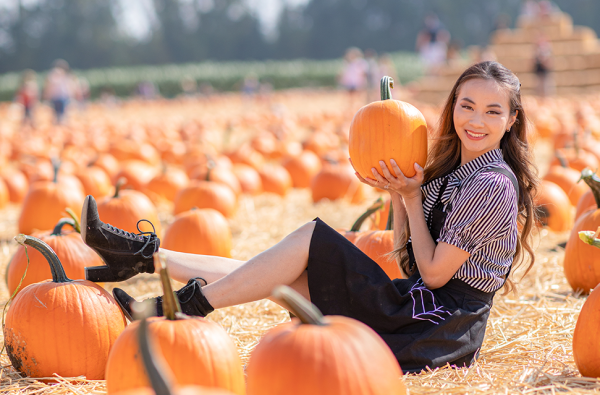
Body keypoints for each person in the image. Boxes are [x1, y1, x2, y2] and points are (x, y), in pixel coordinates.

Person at [79, 61, 537, 373]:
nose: (476, 120)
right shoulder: (458, 169)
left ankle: (181, 305)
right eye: (467, 106)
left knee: (309, 240)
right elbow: (411, 259)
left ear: (512, 119)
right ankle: (146, 258)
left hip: (437, 326)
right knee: (274, 274)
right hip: (417, 305)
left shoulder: (491, 184)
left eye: (493, 111)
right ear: (453, 106)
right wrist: (400, 196)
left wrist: (413, 201)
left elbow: (435, 276)